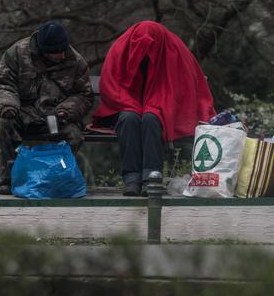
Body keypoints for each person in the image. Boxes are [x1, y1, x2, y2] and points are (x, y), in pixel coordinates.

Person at [92, 21, 216, 196]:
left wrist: (152, 108)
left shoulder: (173, 50)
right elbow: (111, 87)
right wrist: (133, 106)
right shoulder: (120, 49)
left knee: (152, 118)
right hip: (125, 105)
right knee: (129, 118)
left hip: (159, 104)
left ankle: (152, 178)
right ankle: (132, 179)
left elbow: (175, 89)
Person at [0, 21, 94, 195]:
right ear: (44, 50)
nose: (62, 55)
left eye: (63, 49)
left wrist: (66, 110)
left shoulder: (76, 61)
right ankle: (9, 179)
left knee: (74, 136)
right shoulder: (16, 52)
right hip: (21, 111)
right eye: (56, 52)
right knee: (1, 124)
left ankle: (55, 177)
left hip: (56, 116)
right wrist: (7, 105)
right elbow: (2, 84)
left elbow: (84, 95)